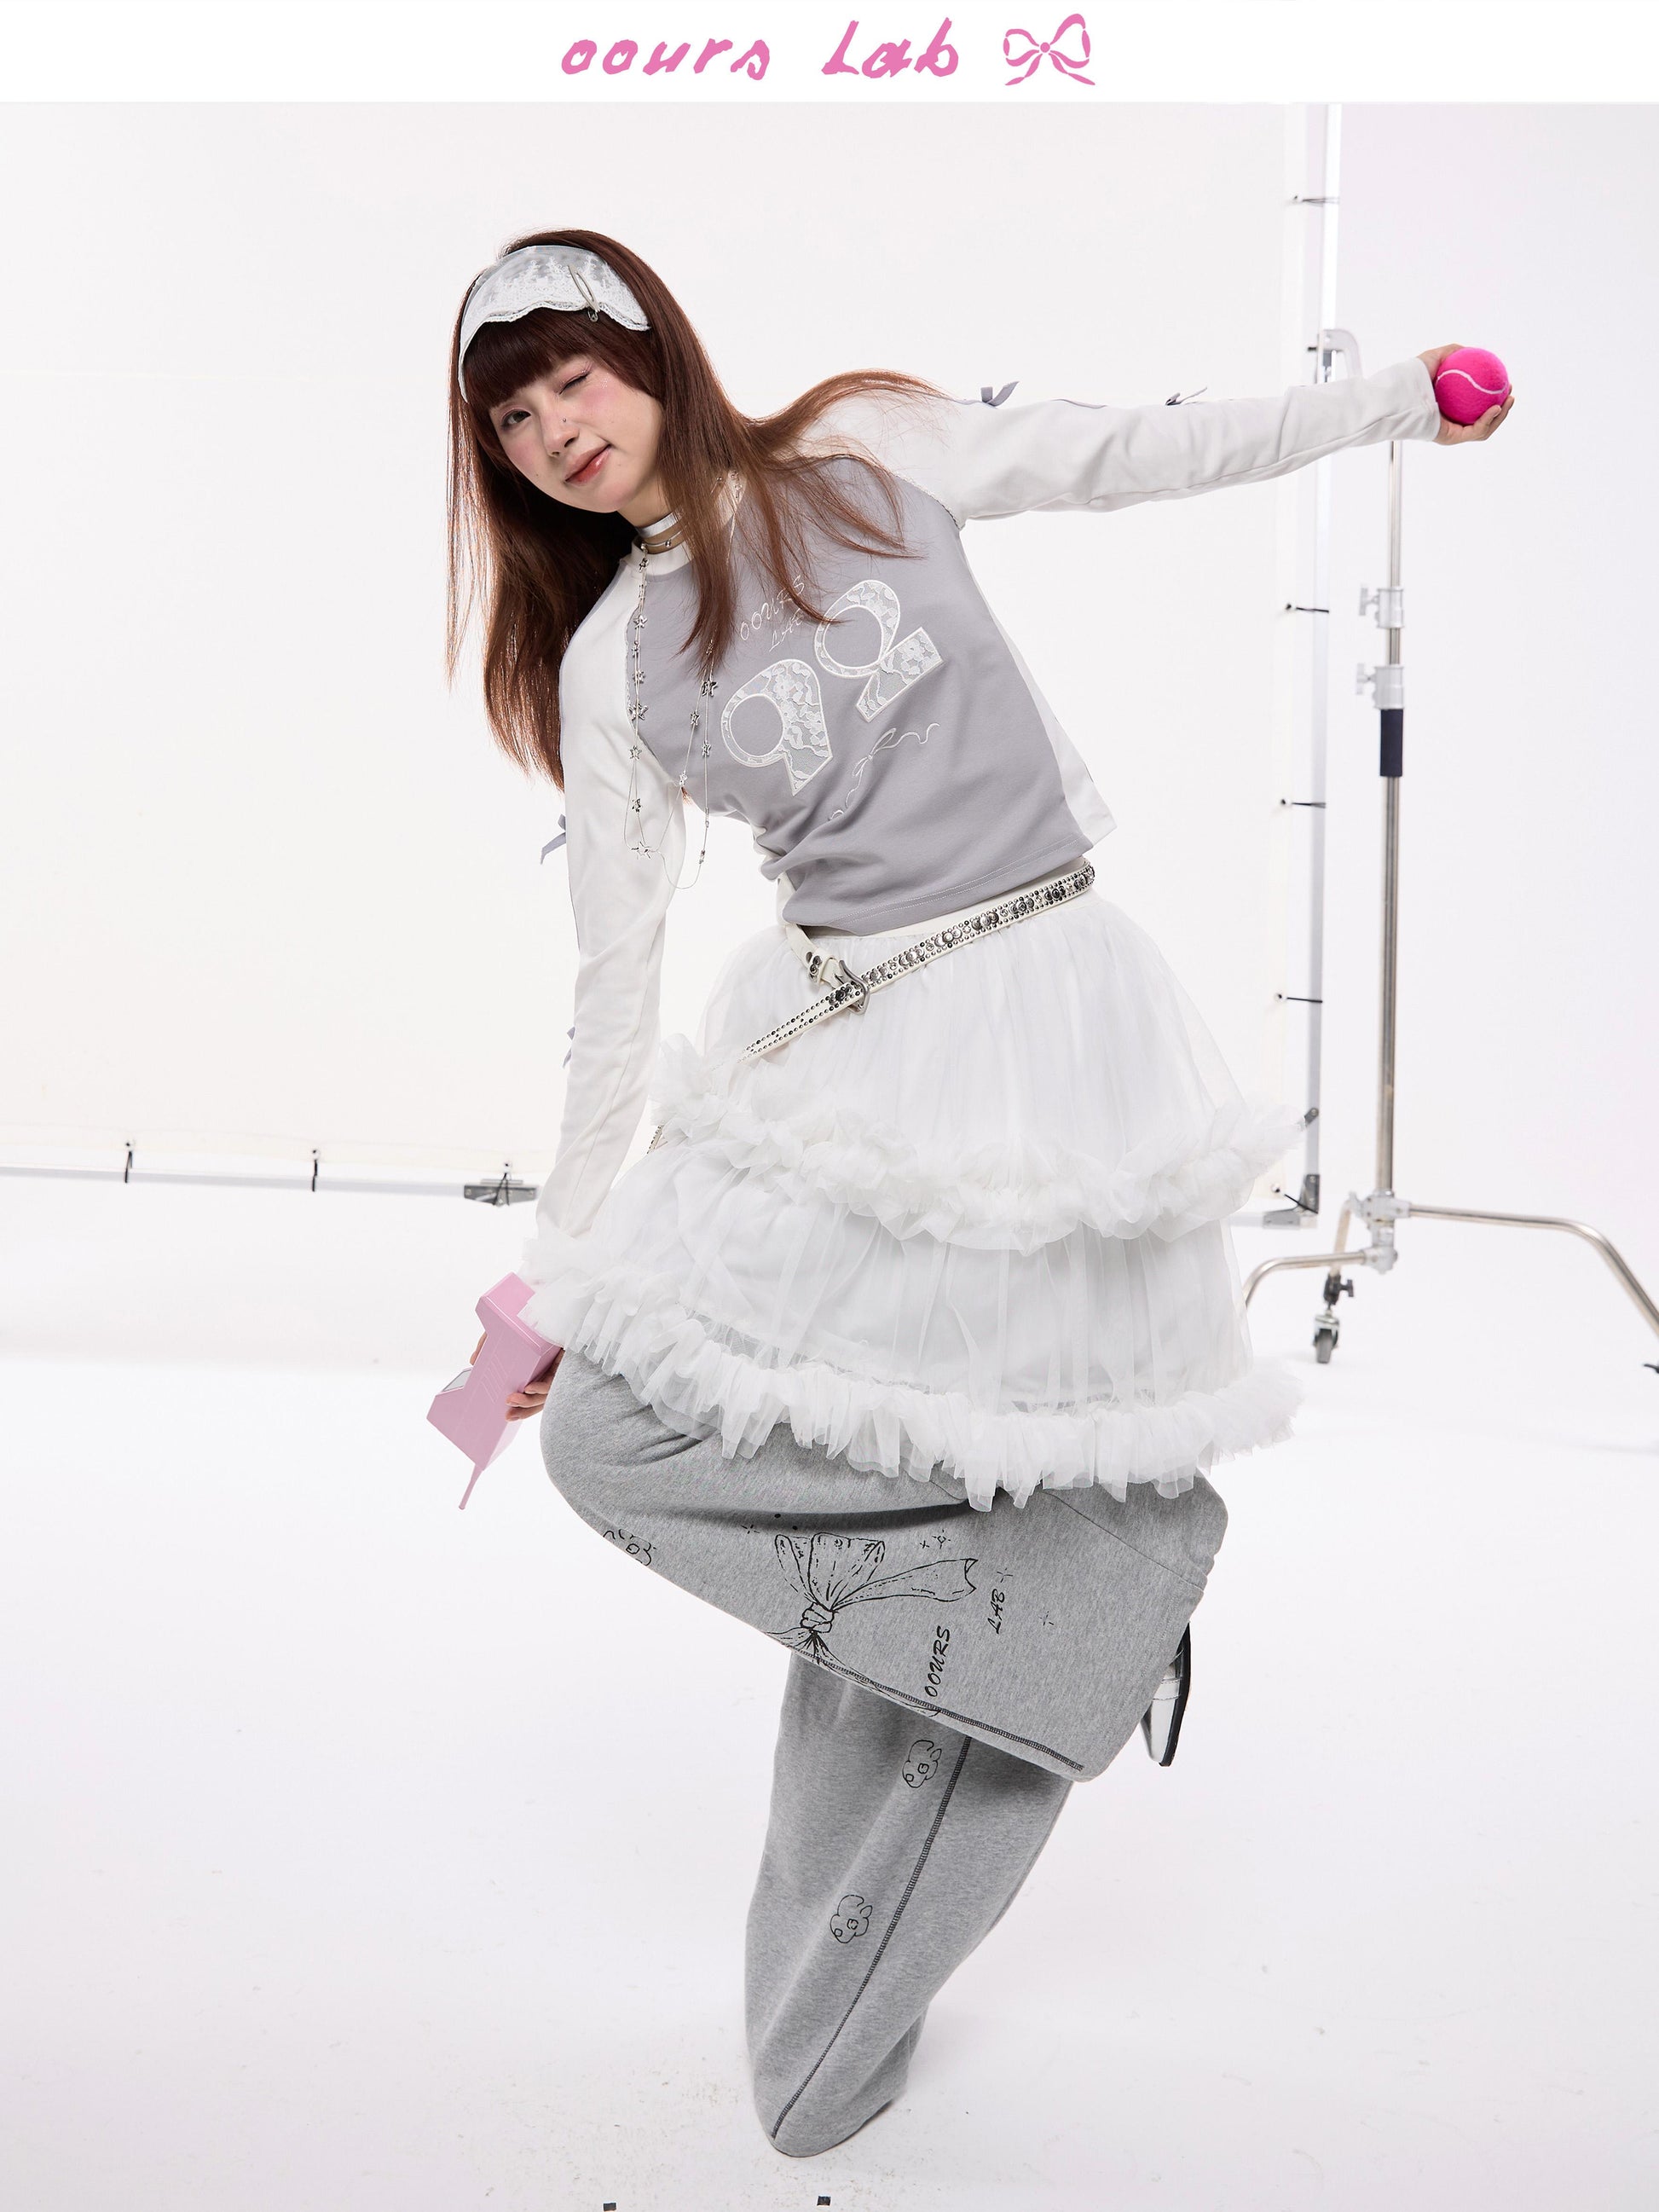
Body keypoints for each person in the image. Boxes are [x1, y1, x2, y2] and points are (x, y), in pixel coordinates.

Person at [446, 228, 1512, 2159]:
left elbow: (1132, 449)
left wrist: (1388, 403)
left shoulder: (869, 451)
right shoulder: (610, 664)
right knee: (611, 1440)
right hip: (843, 1060)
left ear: (651, 352)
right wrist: (544, 1283)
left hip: (1041, 1029)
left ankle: (886, 1937)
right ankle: (1092, 1590)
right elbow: (613, 994)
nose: (555, 433)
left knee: (955, 1514)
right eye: (512, 422)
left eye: (572, 379)